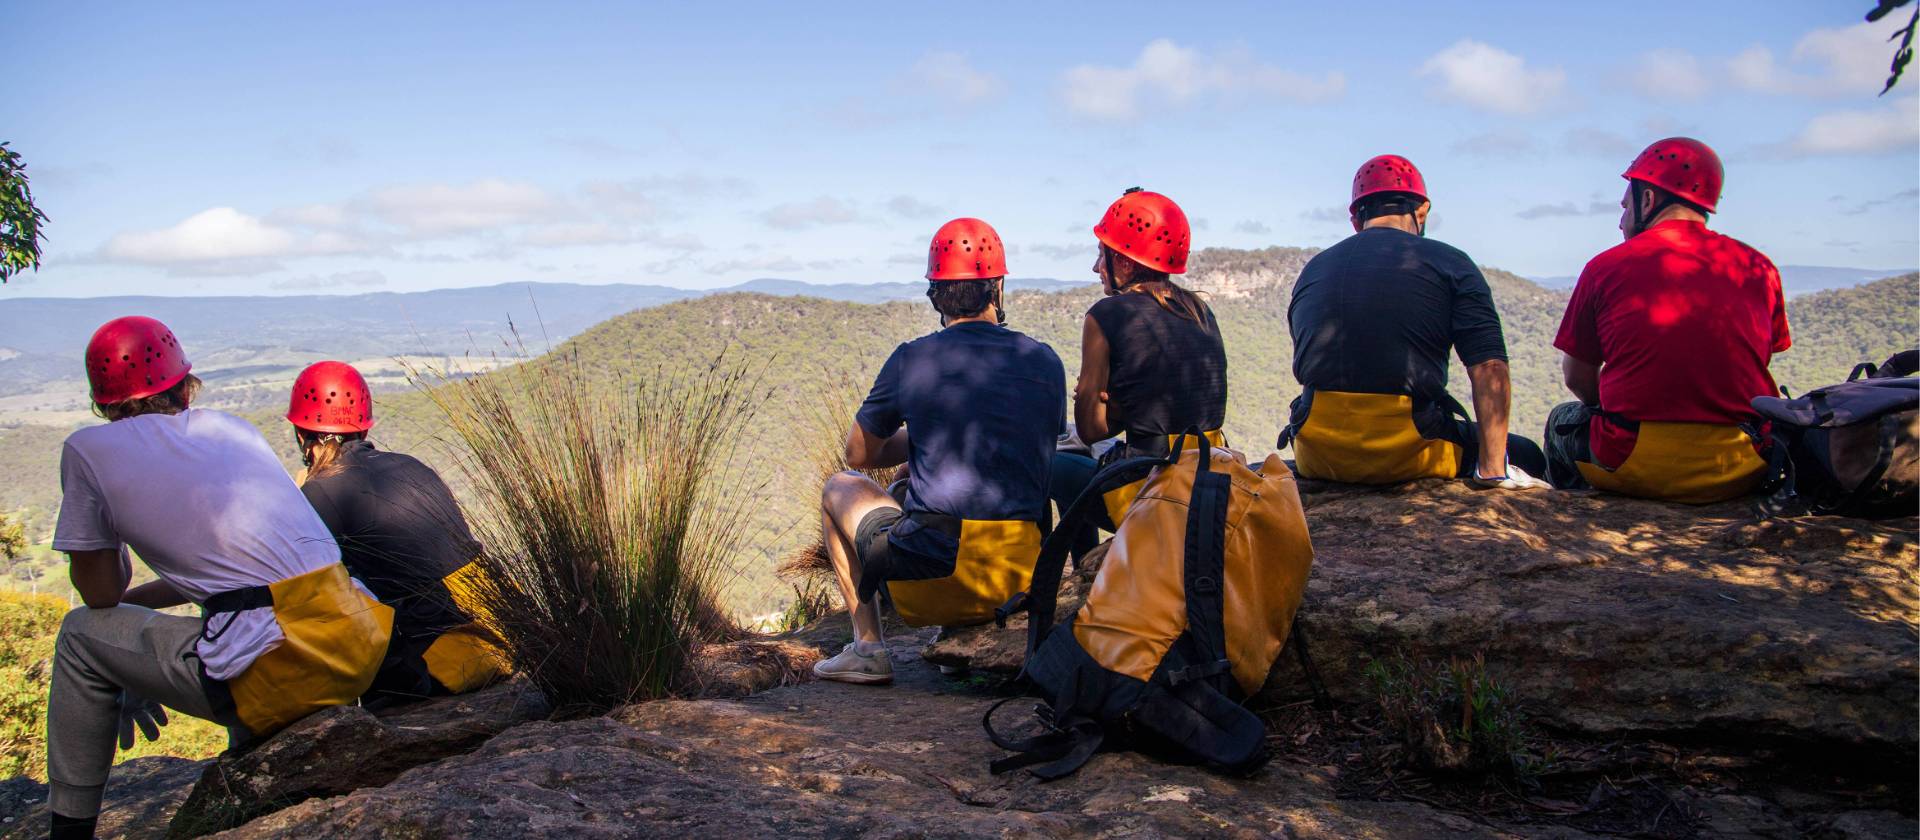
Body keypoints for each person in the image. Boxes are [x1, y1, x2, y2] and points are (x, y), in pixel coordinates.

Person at [47, 317, 391, 840]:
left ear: (102, 403)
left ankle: (68, 830)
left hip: (284, 666)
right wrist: (131, 647)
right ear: (185, 387)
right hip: (355, 641)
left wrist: (122, 650)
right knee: (235, 626)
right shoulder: (233, 429)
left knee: (77, 634)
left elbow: (99, 595)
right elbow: (240, 576)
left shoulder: (87, 450)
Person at [813, 217, 1066, 686]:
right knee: (922, 488)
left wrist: (919, 439)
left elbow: (858, 454)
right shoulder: (1045, 360)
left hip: (930, 586)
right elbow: (1037, 440)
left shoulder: (913, 358)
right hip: (1018, 580)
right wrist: (929, 442)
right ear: (997, 287)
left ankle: (868, 648)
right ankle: (959, 640)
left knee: (839, 488)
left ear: (936, 294)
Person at [1544, 137, 1791, 504]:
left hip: (1633, 460)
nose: (1621, 221)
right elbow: (1760, 356)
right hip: (1741, 464)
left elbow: (1576, 377)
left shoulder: (1604, 268)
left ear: (1647, 200)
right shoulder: (1759, 267)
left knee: (1561, 420)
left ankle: (1574, 515)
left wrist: (1613, 409)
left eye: (1625, 206)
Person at [1282, 154, 1546, 489]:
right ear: (1422, 212)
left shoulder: (1314, 268)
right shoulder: (1452, 263)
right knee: (1527, 453)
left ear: (1355, 219)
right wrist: (1493, 471)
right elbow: (1489, 367)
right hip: (1410, 450)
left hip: (1317, 453)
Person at [288, 360, 508, 708]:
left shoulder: (320, 494)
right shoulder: (410, 465)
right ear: (363, 427)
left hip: (437, 673)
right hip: (498, 642)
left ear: (301, 435)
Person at [1051, 188, 1228, 530]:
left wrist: (1105, 401)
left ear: (1125, 262)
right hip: (1209, 479)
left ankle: (1081, 563)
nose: (1096, 267)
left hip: (1152, 490)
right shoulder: (1199, 310)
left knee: (1045, 466)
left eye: (1101, 254)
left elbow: (1090, 430)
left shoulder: (1106, 315)